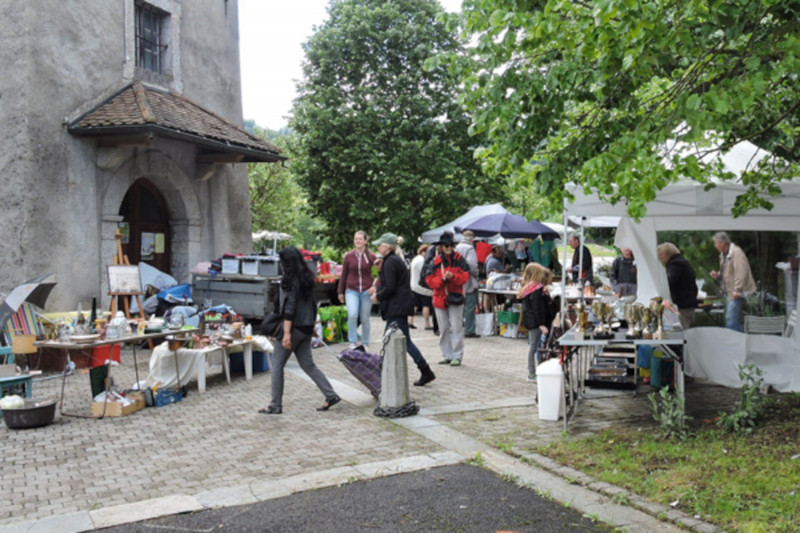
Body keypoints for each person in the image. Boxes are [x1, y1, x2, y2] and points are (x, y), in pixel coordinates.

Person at [259, 247, 340, 415]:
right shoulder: (306, 278)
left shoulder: (288, 281)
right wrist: (312, 327)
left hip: (294, 328)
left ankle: (275, 404)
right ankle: (330, 394)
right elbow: (312, 304)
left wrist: (286, 333)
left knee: (277, 365)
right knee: (308, 364)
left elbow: (289, 307)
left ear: (285, 263)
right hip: (305, 327)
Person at [369, 233, 436, 386]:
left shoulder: (391, 262)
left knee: (399, 341)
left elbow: (390, 286)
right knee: (397, 340)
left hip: (397, 307)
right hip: (399, 306)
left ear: (387, 246)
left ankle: (423, 370)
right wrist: (380, 271)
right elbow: (390, 281)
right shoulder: (392, 260)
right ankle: (422, 370)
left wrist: (378, 297)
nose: (378, 247)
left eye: (380, 244)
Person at [425, 231, 470, 366]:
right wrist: (442, 279)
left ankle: (457, 355)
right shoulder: (435, 262)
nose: (449, 248)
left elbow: (465, 277)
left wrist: (453, 277)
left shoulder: (460, 259)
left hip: (455, 297)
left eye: (451, 245)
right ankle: (447, 354)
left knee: (456, 327)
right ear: (441, 247)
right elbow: (429, 280)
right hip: (440, 298)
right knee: (443, 328)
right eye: (446, 246)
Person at [337, 230, 377, 350]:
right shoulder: (349, 256)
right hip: (352, 289)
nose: (357, 241)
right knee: (352, 314)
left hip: (366, 290)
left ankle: (365, 342)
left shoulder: (371, 256)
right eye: (355, 239)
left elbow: (382, 271)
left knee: (365, 318)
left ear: (365, 241)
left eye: (360, 239)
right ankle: (353, 341)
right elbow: (344, 275)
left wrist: (375, 286)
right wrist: (340, 291)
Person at [710, 232, 755, 332]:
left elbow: (741, 271)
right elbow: (727, 272)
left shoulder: (736, 252)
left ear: (722, 243)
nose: (715, 245)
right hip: (729, 292)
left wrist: (737, 290)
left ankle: (739, 342)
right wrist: (717, 275)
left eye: (716, 243)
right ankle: (738, 342)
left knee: (731, 321)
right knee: (731, 319)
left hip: (735, 293)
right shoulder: (723, 255)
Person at [519, 263, 553, 382]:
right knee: (535, 347)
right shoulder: (536, 289)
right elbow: (537, 308)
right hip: (536, 322)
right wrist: (541, 324)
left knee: (534, 346)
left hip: (530, 321)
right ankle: (532, 372)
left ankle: (534, 371)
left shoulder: (528, 288)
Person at [657, 242, 698, 330]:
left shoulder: (674, 264)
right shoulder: (684, 262)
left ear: (665, 255)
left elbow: (670, 282)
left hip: (682, 305)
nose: (661, 259)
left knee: (683, 332)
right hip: (689, 303)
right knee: (689, 330)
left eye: (660, 256)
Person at [455, 230, 480, 338]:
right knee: (470, 307)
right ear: (472, 238)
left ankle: (459, 328)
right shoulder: (470, 248)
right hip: (469, 281)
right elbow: (472, 264)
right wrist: (476, 274)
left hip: (458, 280)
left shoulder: (457, 247)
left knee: (460, 307)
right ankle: (470, 330)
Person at [409, 244, 434, 330]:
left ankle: (410, 321)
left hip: (414, 285)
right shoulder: (422, 261)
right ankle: (427, 323)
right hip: (423, 287)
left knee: (414, 304)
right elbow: (424, 273)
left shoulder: (414, 259)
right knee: (426, 304)